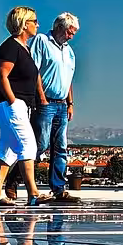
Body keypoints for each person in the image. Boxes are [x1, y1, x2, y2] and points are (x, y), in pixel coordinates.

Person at [0, 7, 41, 207]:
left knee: (8, 150)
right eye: (34, 21)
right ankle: (33, 193)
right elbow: (2, 75)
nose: (37, 24)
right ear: (24, 24)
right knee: (28, 146)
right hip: (11, 102)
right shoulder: (10, 46)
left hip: (18, 104)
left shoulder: (24, 48)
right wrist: (12, 100)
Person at [32, 11, 80, 203]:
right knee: (40, 145)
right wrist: (41, 98)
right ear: (60, 27)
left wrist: (70, 103)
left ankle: (58, 189)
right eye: (70, 32)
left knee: (60, 147)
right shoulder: (42, 41)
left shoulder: (69, 51)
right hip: (45, 102)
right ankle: (15, 180)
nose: (72, 36)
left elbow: (68, 79)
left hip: (61, 104)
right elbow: (34, 70)